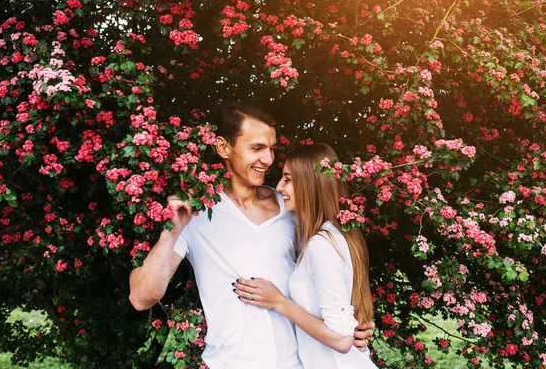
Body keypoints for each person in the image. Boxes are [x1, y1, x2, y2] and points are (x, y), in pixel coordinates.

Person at [128, 103, 374, 369]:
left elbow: (329, 276)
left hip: (298, 364)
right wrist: (171, 232)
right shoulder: (195, 213)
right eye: (256, 148)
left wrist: (354, 324)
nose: (268, 160)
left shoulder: (291, 207)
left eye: (271, 149)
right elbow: (141, 298)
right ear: (223, 147)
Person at [233, 143, 378, 369]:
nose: (279, 187)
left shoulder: (322, 244)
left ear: (310, 184)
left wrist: (279, 302)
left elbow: (341, 339)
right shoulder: (331, 235)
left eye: (288, 179)